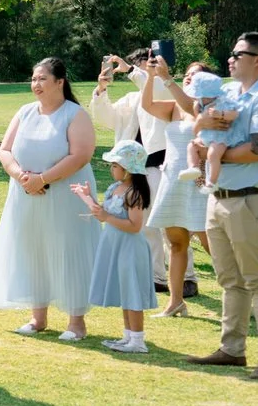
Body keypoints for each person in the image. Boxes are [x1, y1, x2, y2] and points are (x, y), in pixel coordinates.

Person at [189, 32, 258, 380]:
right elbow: (198, 121)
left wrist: (215, 156)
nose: (230, 59)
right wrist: (203, 136)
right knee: (229, 281)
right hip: (219, 199)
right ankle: (232, 350)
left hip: (250, 199)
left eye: (237, 54)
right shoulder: (230, 93)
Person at [0, 58, 100, 341]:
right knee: (33, 248)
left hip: (66, 195)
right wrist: (22, 177)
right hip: (26, 195)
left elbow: (80, 155)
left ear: (59, 82)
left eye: (41, 78)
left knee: (68, 249)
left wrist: (44, 178)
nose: (35, 84)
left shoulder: (74, 114)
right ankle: (37, 318)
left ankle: (76, 322)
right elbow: (5, 150)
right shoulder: (25, 112)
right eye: (33, 78)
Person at [140, 56, 219, 318]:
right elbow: (147, 105)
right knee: (176, 243)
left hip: (198, 183)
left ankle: (244, 296)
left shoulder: (207, 108)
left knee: (214, 245)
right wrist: (151, 76)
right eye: (187, 74)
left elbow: (195, 111)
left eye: (195, 75)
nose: (189, 77)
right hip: (172, 180)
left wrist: (166, 78)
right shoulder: (174, 106)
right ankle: (176, 302)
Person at [91, 50, 173, 292]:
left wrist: (131, 70)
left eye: (146, 68)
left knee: (169, 223)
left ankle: (187, 277)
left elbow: (155, 88)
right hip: (136, 170)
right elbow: (106, 117)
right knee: (146, 226)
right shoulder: (129, 99)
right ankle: (157, 276)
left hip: (161, 165)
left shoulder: (166, 93)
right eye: (138, 67)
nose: (141, 73)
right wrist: (101, 90)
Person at [74, 139, 158, 353]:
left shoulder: (134, 194)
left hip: (130, 249)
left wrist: (106, 217)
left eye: (115, 165)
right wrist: (87, 198)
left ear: (128, 170)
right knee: (124, 291)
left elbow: (134, 226)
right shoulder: (115, 189)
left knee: (133, 293)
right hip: (115, 247)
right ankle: (128, 336)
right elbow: (102, 212)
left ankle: (138, 340)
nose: (111, 169)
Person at [186, 73, 248, 190]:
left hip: (221, 136)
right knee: (191, 146)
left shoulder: (222, 102)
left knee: (213, 154)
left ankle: (212, 182)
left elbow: (235, 114)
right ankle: (193, 168)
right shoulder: (199, 105)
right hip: (207, 135)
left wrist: (221, 114)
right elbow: (197, 128)